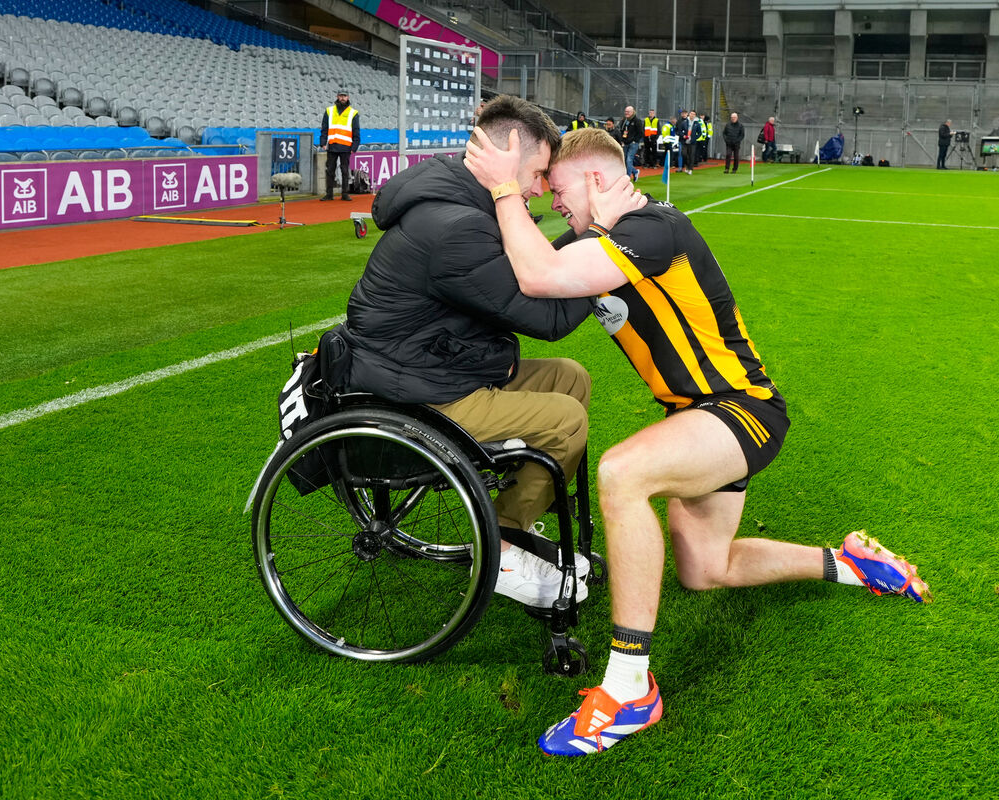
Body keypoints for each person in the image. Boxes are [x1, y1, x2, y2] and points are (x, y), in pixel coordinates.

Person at [464, 126, 932, 757]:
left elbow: (542, 275)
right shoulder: (603, 236)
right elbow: (523, 278)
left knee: (621, 473)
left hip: (741, 412)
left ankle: (630, 688)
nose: (554, 203)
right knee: (707, 569)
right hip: (702, 417)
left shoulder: (650, 230)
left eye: (561, 190)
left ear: (597, 180)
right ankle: (848, 563)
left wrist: (502, 186)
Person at [333, 95, 595, 609]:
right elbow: (548, 317)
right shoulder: (461, 227)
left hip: (431, 362)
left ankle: (517, 504)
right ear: (511, 150)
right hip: (417, 389)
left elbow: (526, 278)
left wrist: (584, 235)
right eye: (539, 173)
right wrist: (609, 252)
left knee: (571, 379)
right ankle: (501, 542)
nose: (541, 189)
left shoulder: (463, 203)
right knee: (565, 420)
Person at [320, 89, 360, 201]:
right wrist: (323, 142)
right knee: (330, 171)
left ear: (348, 97)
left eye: (344, 96)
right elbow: (324, 128)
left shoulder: (353, 113)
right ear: (337, 96)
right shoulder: (329, 111)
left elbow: (356, 131)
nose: (342, 98)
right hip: (332, 145)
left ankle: (345, 193)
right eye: (341, 96)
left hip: (346, 146)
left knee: (345, 171)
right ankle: (329, 194)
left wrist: (354, 146)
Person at [619, 105, 643, 181]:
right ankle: (635, 171)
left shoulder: (637, 121)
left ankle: (627, 178)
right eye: (625, 111)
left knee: (629, 159)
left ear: (633, 112)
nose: (626, 113)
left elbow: (641, 133)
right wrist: (622, 140)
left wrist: (635, 140)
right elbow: (622, 131)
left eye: (628, 111)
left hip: (633, 144)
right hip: (625, 143)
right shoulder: (624, 120)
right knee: (625, 160)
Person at [682, 110, 704, 174]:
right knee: (684, 154)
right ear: (689, 114)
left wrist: (695, 138)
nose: (692, 115)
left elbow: (700, 133)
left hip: (693, 142)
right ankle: (686, 165)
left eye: (694, 114)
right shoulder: (685, 122)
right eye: (691, 114)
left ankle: (690, 169)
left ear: (695, 115)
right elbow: (680, 130)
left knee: (691, 155)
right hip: (685, 141)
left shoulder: (697, 123)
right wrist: (683, 136)